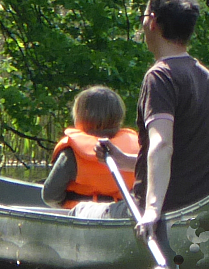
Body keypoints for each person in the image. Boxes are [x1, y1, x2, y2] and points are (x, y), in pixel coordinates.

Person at [129, 0, 209, 249]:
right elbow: (179, 154)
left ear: (153, 22)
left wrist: (152, 211)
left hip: (167, 213)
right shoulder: (204, 75)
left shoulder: (160, 77)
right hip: (203, 208)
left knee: (80, 211)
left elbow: (162, 145)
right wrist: (119, 158)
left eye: (144, 16)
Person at [42, 86, 140, 218]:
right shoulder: (135, 150)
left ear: (79, 117)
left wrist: (67, 205)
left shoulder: (71, 153)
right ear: (119, 118)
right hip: (121, 213)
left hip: (83, 215)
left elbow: (50, 196)